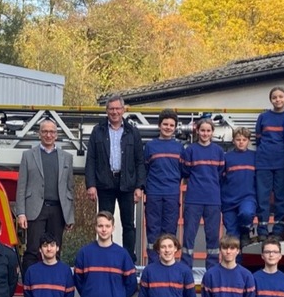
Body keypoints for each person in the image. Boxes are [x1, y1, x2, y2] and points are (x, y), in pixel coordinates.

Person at [85, 94, 146, 263]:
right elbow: (91, 159)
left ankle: (127, 259)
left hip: (127, 183)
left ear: (123, 110)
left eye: (118, 108)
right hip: (105, 183)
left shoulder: (132, 132)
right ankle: (105, 257)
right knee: (105, 222)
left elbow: (140, 161)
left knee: (128, 224)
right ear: (106, 111)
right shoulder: (98, 131)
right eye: (111, 109)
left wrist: (139, 186)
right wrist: (91, 185)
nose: (115, 112)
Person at [16, 118, 75, 272]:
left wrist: (70, 216)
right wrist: (21, 213)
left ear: (56, 135)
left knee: (55, 249)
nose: (48, 135)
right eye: (45, 131)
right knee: (33, 249)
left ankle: (54, 284)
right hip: (36, 209)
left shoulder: (67, 157)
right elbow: (21, 186)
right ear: (39, 134)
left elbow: (70, 188)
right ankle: (29, 283)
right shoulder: (28, 156)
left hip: (58, 209)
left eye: (52, 132)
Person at [181, 116, 226, 268]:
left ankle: (212, 268)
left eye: (208, 131)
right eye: (202, 130)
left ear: (212, 132)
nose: (205, 133)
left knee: (213, 236)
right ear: (197, 131)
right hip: (194, 198)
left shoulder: (219, 151)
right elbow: (185, 171)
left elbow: (220, 173)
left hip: (213, 199)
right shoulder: (190, 150)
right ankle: (186, 267)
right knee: (188, 235)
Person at [142, 109, 183, 263]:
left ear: (175, 127)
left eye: (171, 125)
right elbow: (144, 170)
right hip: (153, 193)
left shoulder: (179, 148)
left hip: (172, 194)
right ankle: (153, 263)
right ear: (159, 126)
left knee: (170, 231)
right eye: (165, 124)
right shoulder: (150, 146)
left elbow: (183, 171)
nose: (168, 127)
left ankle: (169, 263)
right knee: (153, 231)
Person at [254, 86, 284, 239]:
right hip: (264, 162)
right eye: (274, 97)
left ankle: (278, 230)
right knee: (262, 197)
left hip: (282, 163)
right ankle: (262, 230)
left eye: (280, 97)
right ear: (271, 100)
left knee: (281, 198)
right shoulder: (263, 117)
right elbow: (258, 139)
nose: (278, 100)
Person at [221, 127, 258, 242]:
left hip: (248, 197)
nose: (241, 142)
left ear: (248, 141)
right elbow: (220, 179)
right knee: (232, 236)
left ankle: (245, 231)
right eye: (238, 139)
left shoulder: (255, 156)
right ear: (233, 141)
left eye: (244, 139)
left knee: (247, 214)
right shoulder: (226, 157)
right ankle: (237, 260)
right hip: (228, 202)